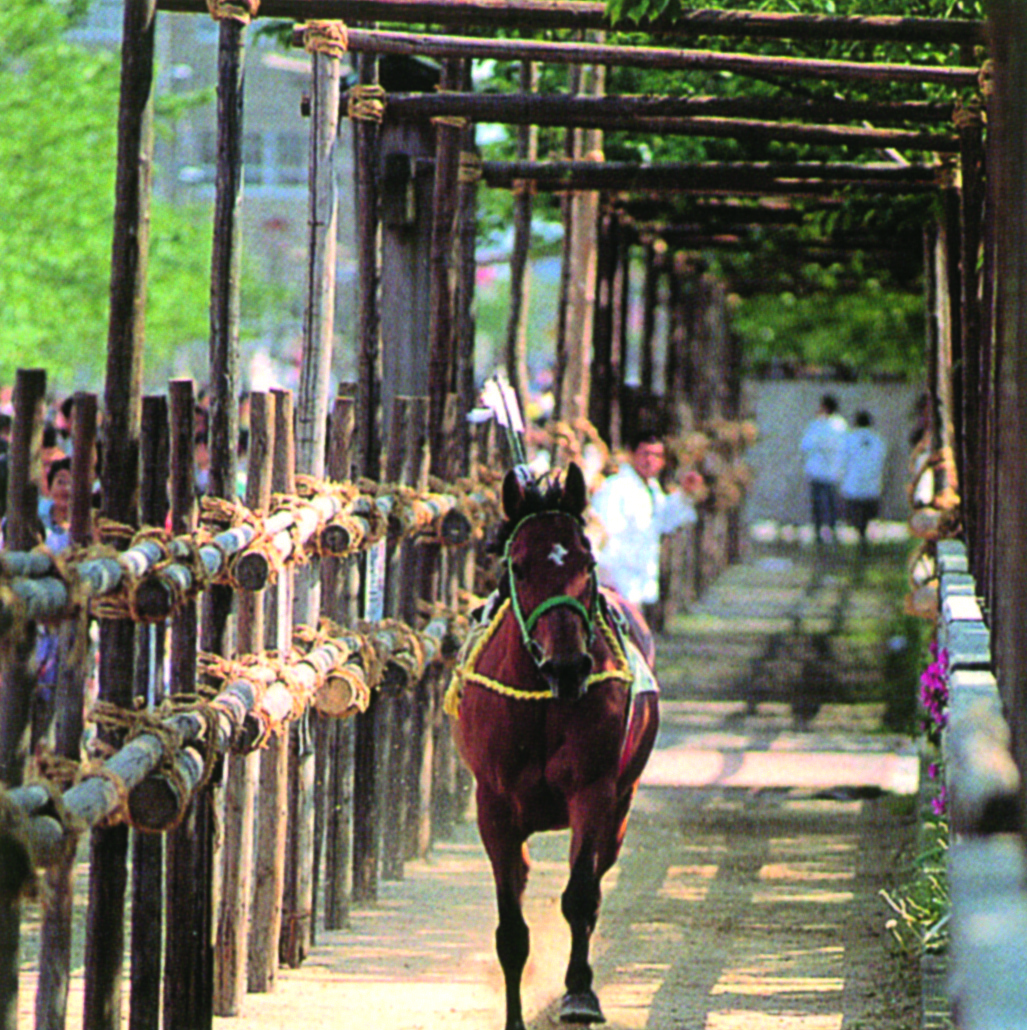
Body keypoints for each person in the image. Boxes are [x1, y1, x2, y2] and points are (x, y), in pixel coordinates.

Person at [589, 430, 700, 626]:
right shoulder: (615, 488)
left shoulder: (651, 489)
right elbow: (602, 537)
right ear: (631, 454)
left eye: (656, 455)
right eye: (645, 454)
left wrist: (685, 493)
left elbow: (664, 520)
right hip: (615, 586)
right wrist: (609, 583)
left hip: (636, 585)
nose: (650, 461)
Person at [800, 394, 847, 544]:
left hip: (817, 471)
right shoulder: (842, 425)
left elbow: (805, 445)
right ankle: (833, 530)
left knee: (818, 503)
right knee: (833, 503)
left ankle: (818, 531)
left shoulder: (817, 424)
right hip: (834, 471)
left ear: (824, 407)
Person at [840, 410, 888, 546]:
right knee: (868, 520)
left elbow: (842, 461)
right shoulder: (878, 440)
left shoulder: (849, 439)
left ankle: (860, 542)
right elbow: (881, 460)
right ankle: (865, 542)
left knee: (855, 520)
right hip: (872, 487)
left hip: (853, 487)